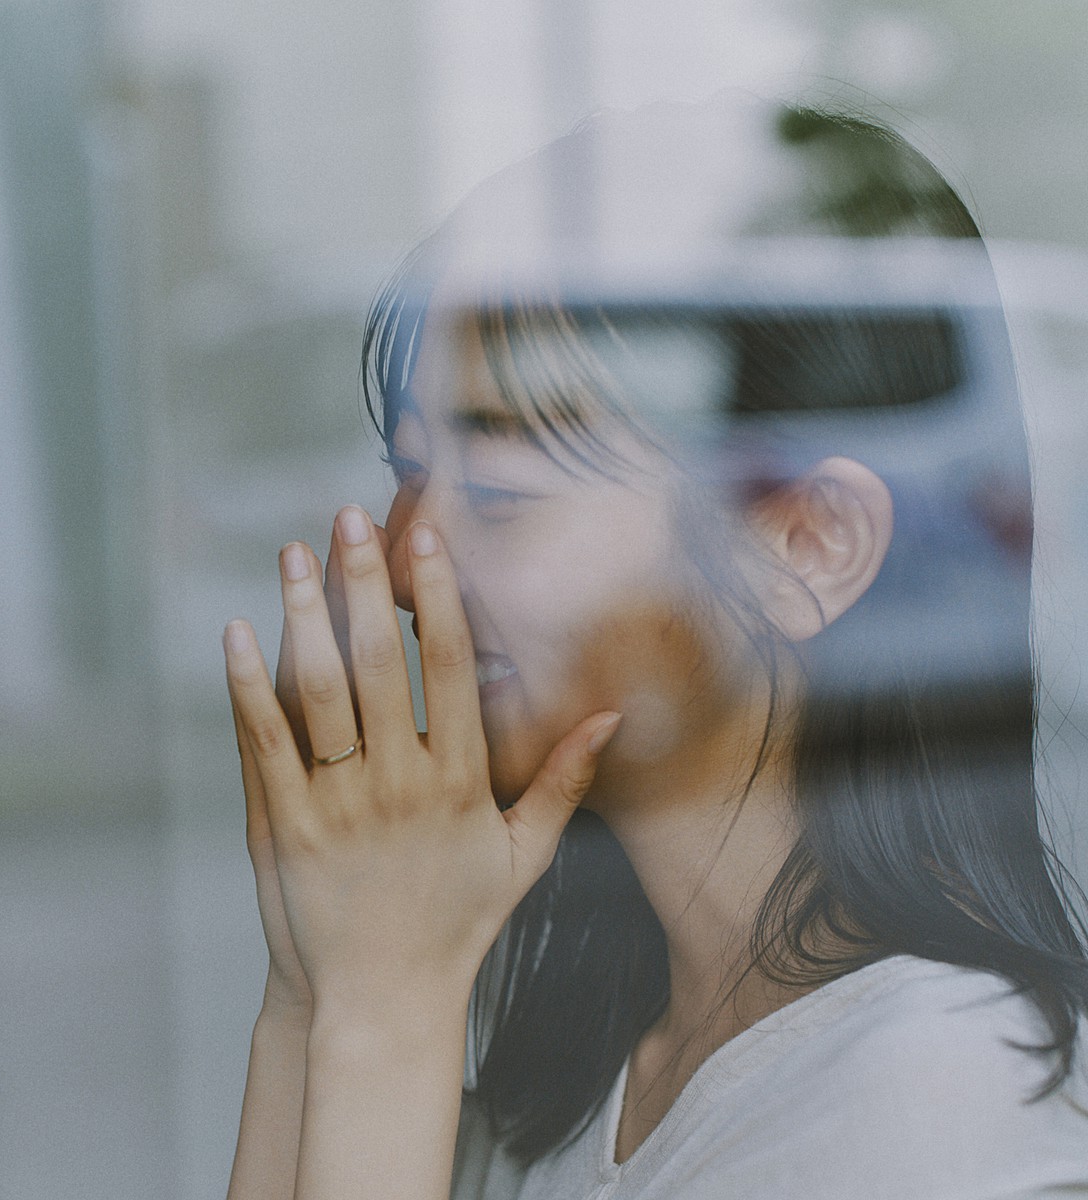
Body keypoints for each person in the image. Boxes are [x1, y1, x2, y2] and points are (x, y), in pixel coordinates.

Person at [222, 97, 1088, 1200]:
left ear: (807, 544)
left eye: (499, 494)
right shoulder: (570, 1089)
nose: (401, 567)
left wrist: (383, 1008)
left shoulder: (945, 1107)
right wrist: (314, 985)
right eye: (409, 479)